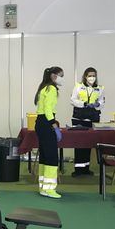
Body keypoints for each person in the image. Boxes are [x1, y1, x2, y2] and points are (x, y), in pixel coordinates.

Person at [34, 66, 64, 199]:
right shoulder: (51, 89)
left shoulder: (43, 87)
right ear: (53, 76)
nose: (61, 78)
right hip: (46, 122)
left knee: (45, 156)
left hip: (40, 123)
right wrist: (54, 125)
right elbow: (47, 109)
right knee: (51, 156)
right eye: (59, 75)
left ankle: (43, 187)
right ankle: (50, 189)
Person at [70, 67, 105, 177]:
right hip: (79, 119)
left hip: (92, 119)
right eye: (90, 75)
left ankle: (86, 169)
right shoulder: (78, 86)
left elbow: (101, 101)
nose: (92, 77)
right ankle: (78, 170)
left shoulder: (99, 88)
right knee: (79, 144)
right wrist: (84, 104)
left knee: (88, 144)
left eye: (94, 75)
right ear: (85, 76)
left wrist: (98, 104)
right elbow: (73, 100)